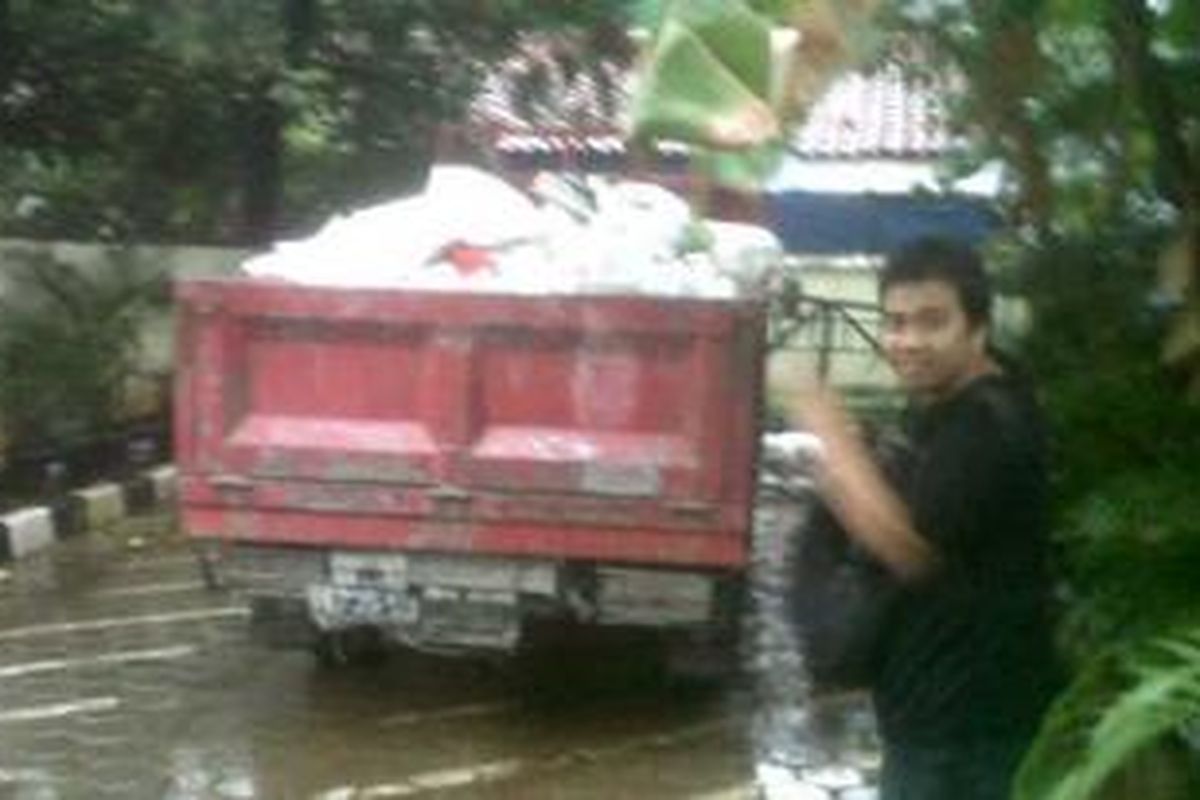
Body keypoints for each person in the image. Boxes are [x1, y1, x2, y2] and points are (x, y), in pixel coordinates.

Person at [788, 236, 1060, 800]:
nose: (907, 341)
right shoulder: (941, 412)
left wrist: (837, 447)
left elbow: (906, 547)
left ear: (978, 327)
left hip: (969, 738)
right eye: (895, 322)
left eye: (932, 322)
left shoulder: (989, 425)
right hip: (930, 724)